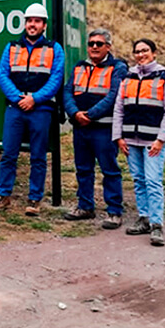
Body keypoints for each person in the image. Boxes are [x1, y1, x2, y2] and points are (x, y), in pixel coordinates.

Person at [0, 3, 65, 216]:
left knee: (38, 156)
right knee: (9, 154)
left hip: (40, 109)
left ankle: (34, 199)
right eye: (29, 21)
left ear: (44, 25)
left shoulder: (54, 49)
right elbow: (3, 74)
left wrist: (34, 99)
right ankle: (3, 196)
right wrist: (18, 98)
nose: (32, 25)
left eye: (37, 21)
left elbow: (56, 78)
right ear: (25, 23)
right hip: (15, 108)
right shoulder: (12, 47)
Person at [113, 38, 165, 247]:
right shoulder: (128, 77)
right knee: (139, 180)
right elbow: (119, 109)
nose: (141, 55)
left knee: (152, 181)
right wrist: (119, 137)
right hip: (131, 140)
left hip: (153, 141)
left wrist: (161, 139)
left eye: (145, 51)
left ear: (154, 53)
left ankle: (157, 224)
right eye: (137, 52)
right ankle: (143, 218)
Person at [62, 28, 128, 229]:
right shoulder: (79, 66)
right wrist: (75, 113)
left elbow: (114, 95)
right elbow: (68, 91)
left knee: (110, 170)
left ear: (108, 46)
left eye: (99, 44)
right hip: (80, 128)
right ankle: (85, 206)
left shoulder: (118, 68)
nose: (94, 47)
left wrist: (90, 115)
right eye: (91, 44)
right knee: (83, 169)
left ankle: (114, 211)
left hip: (104, 129)